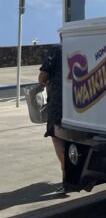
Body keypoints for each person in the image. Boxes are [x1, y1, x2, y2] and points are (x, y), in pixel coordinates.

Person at [38, 44, 66, 195]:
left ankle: (67, 178)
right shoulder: (84, 47)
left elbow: (43, 77)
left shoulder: (56, 50)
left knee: (58, 138)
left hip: (59, 103)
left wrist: (44, 83)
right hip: (82, 100)